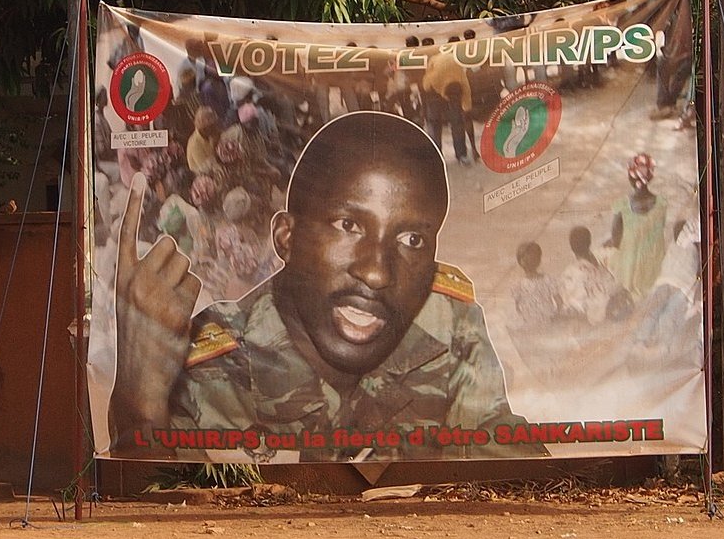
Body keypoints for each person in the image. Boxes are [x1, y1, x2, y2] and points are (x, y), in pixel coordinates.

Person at [109, 110, 540, 460]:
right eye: (348, 225)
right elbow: (160, 522)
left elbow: (507, 463)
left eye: (411, 240)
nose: (377, 273)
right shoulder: (209, 365)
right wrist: (139, 405)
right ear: (286, 237)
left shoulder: (447, 321)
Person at [606, 154, 673, 303]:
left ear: (630, 178)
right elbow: (659, 228)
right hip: (654, 265)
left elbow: (616, 239)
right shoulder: (661, 204)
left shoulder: (622, 205)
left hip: (630, 268)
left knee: (607, 254)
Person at [557, 223, 625, 325]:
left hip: (588, 320)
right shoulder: (601, 267)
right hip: (606, 316)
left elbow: (568, 302)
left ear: (571, 247)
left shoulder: (570, 272)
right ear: (589, 242)